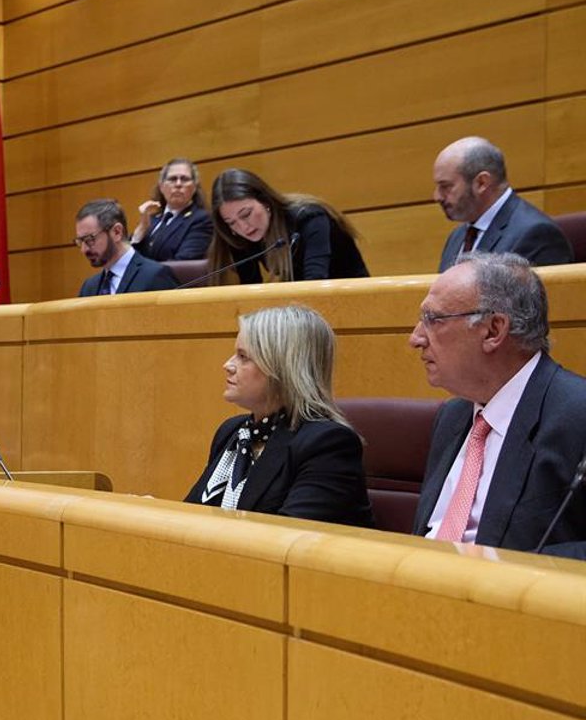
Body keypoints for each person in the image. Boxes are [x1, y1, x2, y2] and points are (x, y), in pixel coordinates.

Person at [409, 252, 586, 556]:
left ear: (493, 330)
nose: (416, 338)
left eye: (433, 320)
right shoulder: (453, 416)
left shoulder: (578, 415)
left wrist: (514, 570)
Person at [186, 304, 373, 526]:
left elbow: (286, 537)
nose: (227, 365)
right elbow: (194, 514)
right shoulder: (231, 431)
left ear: (282, 367)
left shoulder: (327, 445)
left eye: (243, 357)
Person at [205, 168, 370, 284]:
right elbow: (250, 288)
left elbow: (315, 283)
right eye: (231, 222)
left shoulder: (310, 218)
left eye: (246, 214)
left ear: (265, 201)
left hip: (352, 300)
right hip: (302, 307)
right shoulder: (237, 236)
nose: (243, 227)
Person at [432, 137, 573, 272]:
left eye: (446, 186)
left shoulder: (537, 235)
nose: (437, 196)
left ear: (482, 183)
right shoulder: (457, 237)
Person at [73, 199, 180, 297]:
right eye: (80, 241)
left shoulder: (155, 276)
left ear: (117, 232)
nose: (84, 249)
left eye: (89, 239)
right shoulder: (89, 288)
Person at [130, 157, 213, 262]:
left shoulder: (202, 219)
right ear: (161, 186)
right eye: (172, 179)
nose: (178, 184)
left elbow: (184, 263)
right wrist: (140, 230)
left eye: (185, 179)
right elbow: (127, 262)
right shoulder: (151, 220)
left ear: (194, 187)